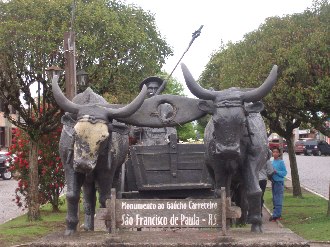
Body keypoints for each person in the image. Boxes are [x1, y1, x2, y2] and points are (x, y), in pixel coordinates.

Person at [130, 76, 177, 146]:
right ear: (145, 91)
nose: (153, 91)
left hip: (164, 144)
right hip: (145, 145)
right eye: (150, 88)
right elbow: (133, 134)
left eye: (156, 88)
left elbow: (172, 128)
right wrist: (136, 130)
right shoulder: (139, 108)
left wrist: (170, 136)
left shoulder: (167, 107)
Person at [269, 147, 287, 222]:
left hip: (279, 182)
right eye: (274, 152)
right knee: (274, 198)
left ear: (279, 153)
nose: (275, 153)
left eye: (276, 152)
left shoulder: (281, 162)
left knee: (278, 198)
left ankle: (277, 215)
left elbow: (284, 173)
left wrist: (277, 172)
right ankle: (275, 213)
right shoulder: (271, 162)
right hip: (273, 182)